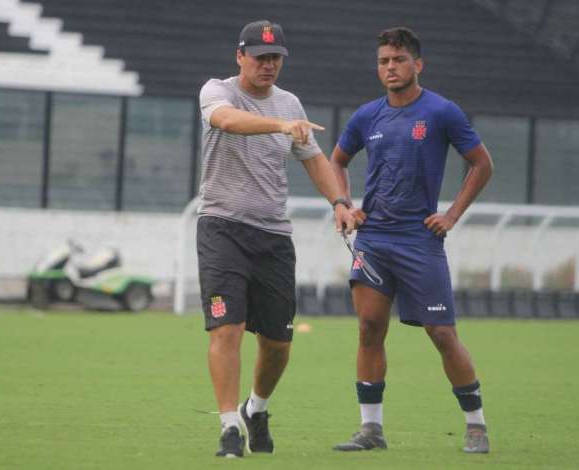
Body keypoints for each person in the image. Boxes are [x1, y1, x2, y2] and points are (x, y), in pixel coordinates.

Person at [330, 27, 494, 454]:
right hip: (374, 239)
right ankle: (371, 430)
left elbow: (481, 164)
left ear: (417, 64)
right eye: (384, 60)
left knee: (441, 333)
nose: (390, 67)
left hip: (419, 242)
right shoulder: (367, 116)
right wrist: (344, 205)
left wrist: (452, 214)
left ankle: (475, 424)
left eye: (398, 60)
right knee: (369, 328)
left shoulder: (442, 112)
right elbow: (337, 160)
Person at [197, 19, 355, 458]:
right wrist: (280, 126)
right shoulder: (218, 91)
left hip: (272, 236)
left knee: (278, 345)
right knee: (225, 328)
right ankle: (229, 426)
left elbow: (315, 160)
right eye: (261, 56)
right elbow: (226, 121)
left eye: (276, 58)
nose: (269, 65)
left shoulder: (290, 104)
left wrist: (340, 203)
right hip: (222, 228)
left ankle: (256, 408)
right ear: (240, 56)